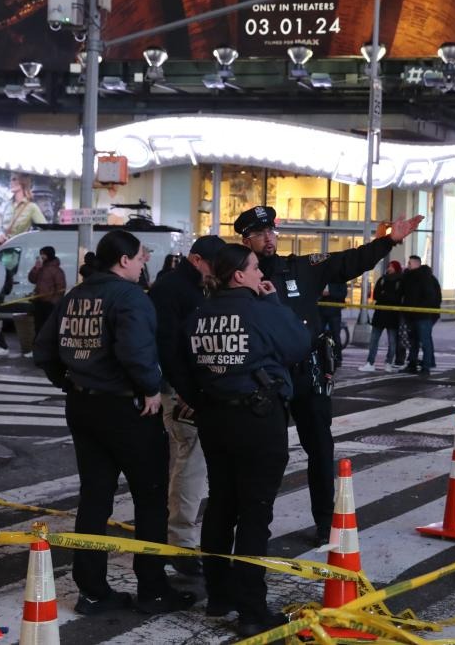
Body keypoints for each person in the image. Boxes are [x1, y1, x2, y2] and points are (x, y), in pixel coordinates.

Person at [234, 205, 423, 544]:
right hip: (265, 380)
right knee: (263, 455)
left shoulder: (301, 268)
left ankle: (325, 524)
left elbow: (349, 261)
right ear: (245, 240)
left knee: (320, 450)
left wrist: (388, 242)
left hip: (308, 374)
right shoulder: (238, 277)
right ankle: (251, 528)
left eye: (271, 232)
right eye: (259, 234)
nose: (268, 239)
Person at [32, 230, 196, 616]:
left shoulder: (76, 295)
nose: (144, 264)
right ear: (124, 260)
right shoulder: (128, 297)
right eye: (141, 257)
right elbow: (135, 350)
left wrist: (72, 382)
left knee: (94, 498)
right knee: (150, 498)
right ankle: (153, 590)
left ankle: (92, 592)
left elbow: (44, 349)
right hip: (128, 410)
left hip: (83, 407)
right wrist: (150, 388)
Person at [176, 243, 310, 637]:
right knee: (255, 512)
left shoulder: (198, 315)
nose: (259, 274)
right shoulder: (258, 309)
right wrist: (274, 304)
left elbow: (182, 365)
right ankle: (251, 609)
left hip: (215, 417)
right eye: (254, 268)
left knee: (220, 505)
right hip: (257, 418)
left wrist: (201, 400)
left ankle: (218, 595)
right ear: (239, 275)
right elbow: (298, 345)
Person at [147, 235, 226, 577]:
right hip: (182, 392)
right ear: (196, 260)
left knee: (192, 463)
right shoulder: (173, 290)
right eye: (215, 264)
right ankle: (180, 543)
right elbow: (167, 347)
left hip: (193, 389)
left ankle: (182, 536)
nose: (219, 272)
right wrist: (184, 392)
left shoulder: (195, 288)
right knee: (189, 462)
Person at [359, 260, 403, 372]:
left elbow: (397, 298)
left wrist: (385, 295)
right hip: (380, 315)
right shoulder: (382, 279)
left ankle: (388, 362)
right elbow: (376, 295)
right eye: (389, 266)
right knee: (374, 340)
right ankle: (370, 362)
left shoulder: (400, 281)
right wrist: (387, 296)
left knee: (392, 341)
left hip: (392, 315)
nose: (389, 268)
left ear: (396, 268)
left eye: (392, 267)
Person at [401, 255, 441, 374]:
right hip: (415, 314)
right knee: (416, 341)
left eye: (409, 263)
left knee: (423, 341)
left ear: (416, 264)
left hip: (422, 315)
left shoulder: (425, 278)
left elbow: (431, 297)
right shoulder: (412, 277)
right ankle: (415, 364)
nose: (407, 265)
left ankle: (425, 366)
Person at [28, 246, 67, 343]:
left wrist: (53, 302)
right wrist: (36, 268)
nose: (41, 256)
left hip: (49, 304)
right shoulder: (41, 268)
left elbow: (61, 288)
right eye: (40, 254)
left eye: (43, 254)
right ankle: (37, 348)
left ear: (49, 255)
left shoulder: (56, 270)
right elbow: (32, 279)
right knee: (38, 326)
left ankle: (46, 350)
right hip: (39, 302)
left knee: (48, 327)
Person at [0, 172, 45, 243]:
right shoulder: (8, 205)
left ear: (23, 181)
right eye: (10, 180)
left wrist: (28, 241)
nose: (11, 182)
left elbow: (44, 231)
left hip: (19, 250)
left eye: (14, 179)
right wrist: (1, 234)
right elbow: (1, 228)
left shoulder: (32, 207)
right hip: (3, 249)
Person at [318, 280, 348, 368]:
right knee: (319, 336)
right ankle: (319, 357)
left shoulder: (339, 279)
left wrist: (329, 293)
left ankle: (338, 359)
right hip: (321, 311)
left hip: (334, 312)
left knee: (335, 337)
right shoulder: (321, 277)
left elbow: (343, 294)